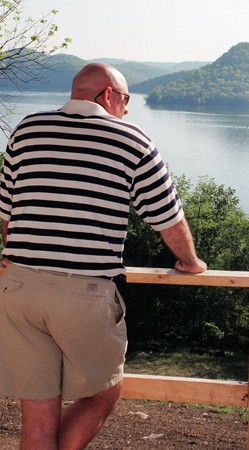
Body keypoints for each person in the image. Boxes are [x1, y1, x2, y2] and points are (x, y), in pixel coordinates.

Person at [0, 62, 207, 449]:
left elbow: (6, 211)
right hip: (84, 290)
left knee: (38, 417)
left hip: (18, 287)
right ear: (108, 95)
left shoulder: (27, 129)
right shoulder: (132, 139)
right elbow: (168, 219)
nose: (127, 109)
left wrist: (14, 256)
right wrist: (191, 262)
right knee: (103, 393)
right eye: (126, 100)